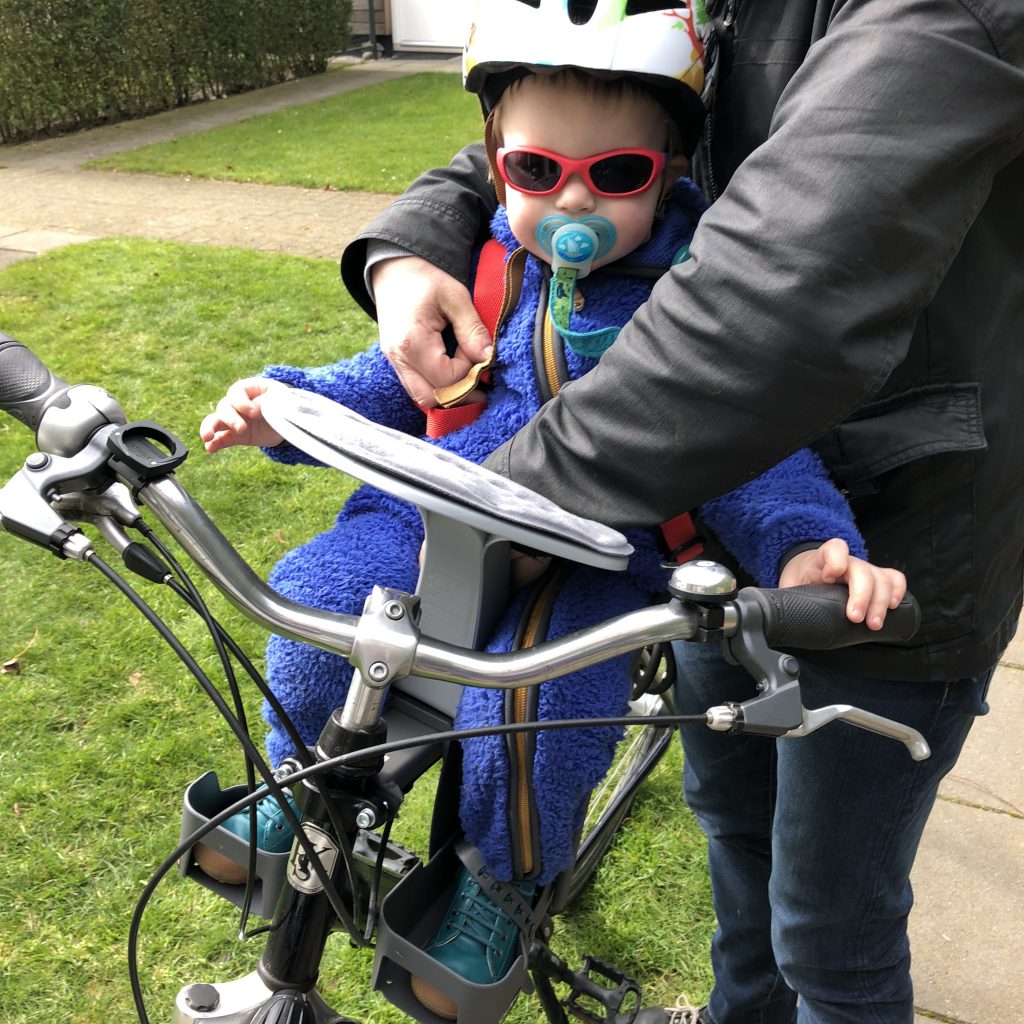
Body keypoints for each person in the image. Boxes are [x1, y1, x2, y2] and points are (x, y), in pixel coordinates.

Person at [201, 4, 907, 1020]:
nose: (571, 197)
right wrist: (279, 403)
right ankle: (290, 786)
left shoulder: (692, 307)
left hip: (593, 559)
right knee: (317, 603)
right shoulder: (483, 270)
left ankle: (500, 882)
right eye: (538, 172)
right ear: (497, 164)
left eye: (614, 175)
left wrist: (807, 546)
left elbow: (752, 449)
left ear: (666, 172)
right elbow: (393, 378)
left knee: (538, 719)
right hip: (430, 516)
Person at [338, 0, 1024, 1022]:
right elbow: (568, 118)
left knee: (831, 932)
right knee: (736, 844)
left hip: (884, 550)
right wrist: (407, 252)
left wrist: (508, 510)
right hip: (694, 527)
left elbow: (786, 281)